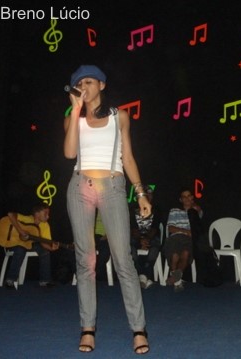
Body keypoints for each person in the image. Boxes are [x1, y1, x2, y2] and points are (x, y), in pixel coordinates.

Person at [64, 64, 151, 354]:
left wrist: (140, 193)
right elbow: (69, 153)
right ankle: (87, 328)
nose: (84, 86)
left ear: (101, 85)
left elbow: (128, 158)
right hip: (80, 186)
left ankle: (138, 329)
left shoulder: (119, 117)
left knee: (123, 259)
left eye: (89, 81)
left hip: (113, 186)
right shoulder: (73, 118)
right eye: (79, 83)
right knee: (85, 261)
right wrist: (75, 112)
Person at [4, 203, 59, 289]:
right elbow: (10, 214)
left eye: (48, 214)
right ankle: (10, 280)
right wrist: (21, 231)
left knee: (45, 252)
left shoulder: (45, 225)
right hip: (17, 243)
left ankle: (45, 281)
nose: (48, 216)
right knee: (20, 249)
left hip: (32, 245)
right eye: (45, 213)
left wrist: (51, 248)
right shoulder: (27, 219)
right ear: (37, 213)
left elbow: (43, 243)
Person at [164, 187, 202, 292]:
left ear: (192, 197)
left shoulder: (196, 211)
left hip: (188, 239)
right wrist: (186, 231)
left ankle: (175, 278)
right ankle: (177, 280)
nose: (186, 198)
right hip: (175, 237)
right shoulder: (174, 211)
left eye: (188, 196)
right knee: (175, 255)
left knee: (185, 254)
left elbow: (198, 227)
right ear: (181, 200)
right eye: (184, 197)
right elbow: (170, 228)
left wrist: (195, 209)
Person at [129, 186, 162, 289]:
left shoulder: (156, 209)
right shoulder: (132, 209)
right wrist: (141, 239)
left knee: (155, 247)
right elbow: (133, 228)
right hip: (136, 237)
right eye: (146, 195)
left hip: (151, 237)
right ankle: (143, 276)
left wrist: (147, 239)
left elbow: (155, 228)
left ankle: (142, 276)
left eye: (150, 195)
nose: (148, 197)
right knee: (130, 248)